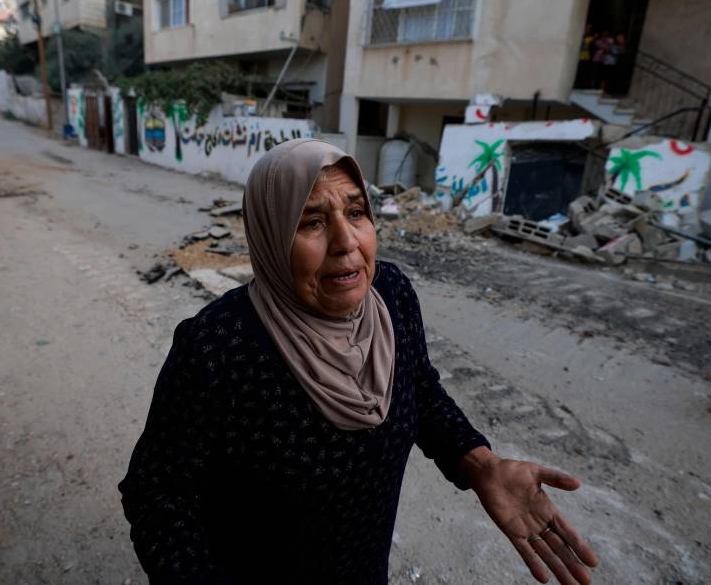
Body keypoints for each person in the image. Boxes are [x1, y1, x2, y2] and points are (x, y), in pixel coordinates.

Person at [119, 139, 599, 584]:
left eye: (356, 212)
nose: (347, 241)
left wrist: (481, 463)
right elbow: (157, 495)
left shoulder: (391, 293)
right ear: (270, 235)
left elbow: (420, 390)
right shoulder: (217, 345)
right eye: (311, 222)